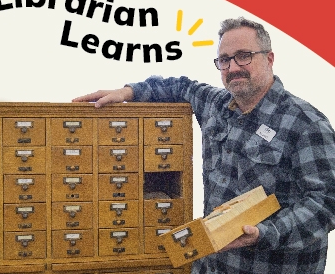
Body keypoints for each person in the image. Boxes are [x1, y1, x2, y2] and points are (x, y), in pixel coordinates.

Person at [73, 17, 335, 274]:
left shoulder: (306, 123)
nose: (233, 68)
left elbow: (326, 203)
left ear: (269, 59)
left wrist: (266, 233)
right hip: (213, 265)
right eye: (224, 60)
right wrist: (128, 92)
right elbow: (180, 86)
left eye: (244, 56)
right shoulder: (216, 105)